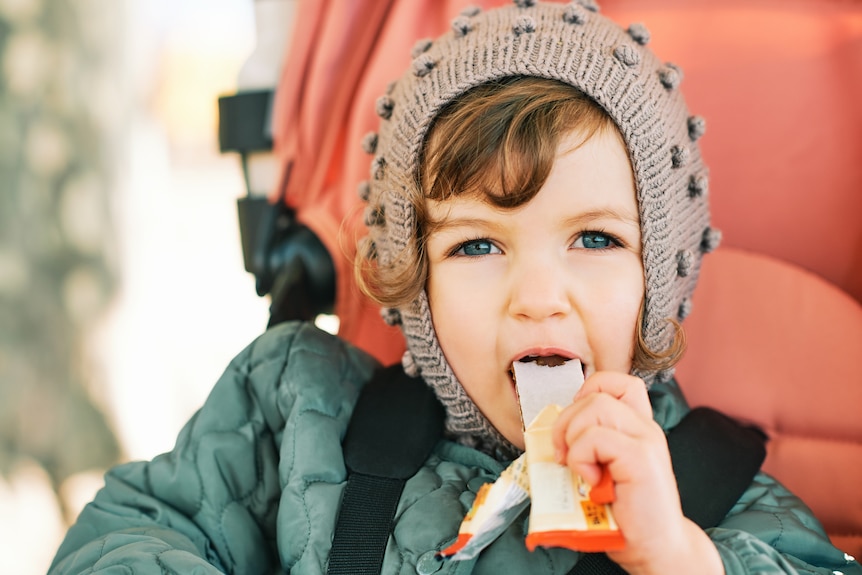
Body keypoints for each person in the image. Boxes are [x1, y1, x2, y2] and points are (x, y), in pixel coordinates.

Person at [49, 2, 861, 574]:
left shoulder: (727, 501)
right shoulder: (297, 405)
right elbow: (134, 529)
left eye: (593, 239)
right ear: (416, 276)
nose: (537, 295)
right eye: (478, 244)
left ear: (660, 276)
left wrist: (681, 558)